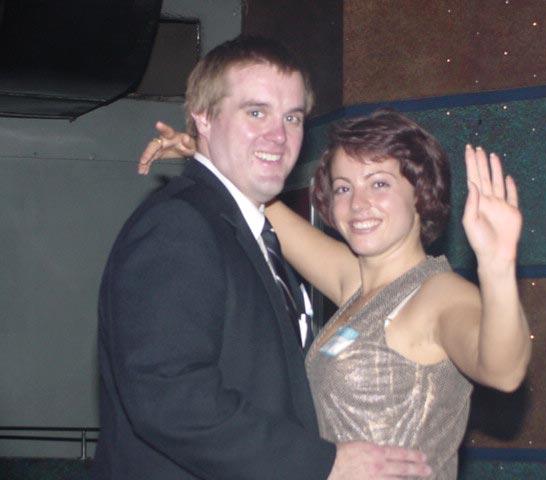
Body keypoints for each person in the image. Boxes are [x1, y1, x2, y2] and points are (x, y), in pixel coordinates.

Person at [93, 36, 431, 480]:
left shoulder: (249, 232)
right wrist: (323, 463)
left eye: (292, 117)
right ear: (203, 117)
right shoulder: (180, 226)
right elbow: (169, 398)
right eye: (256, 113)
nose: (279, 136)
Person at [138, 109, 532, 478]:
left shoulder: (438, 294)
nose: (358, 203)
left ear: (421, 193)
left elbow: (503, 371)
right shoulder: (357, 283)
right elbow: (263, 210)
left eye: (379, 183)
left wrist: (496, 266)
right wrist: (210, 154)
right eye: (343, 188)